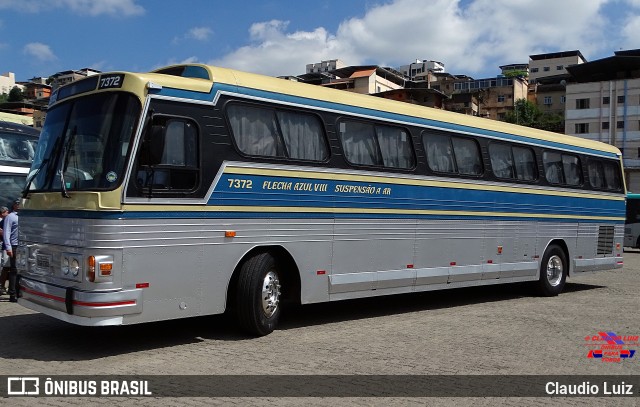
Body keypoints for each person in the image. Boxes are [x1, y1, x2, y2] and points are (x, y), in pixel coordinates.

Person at [3, 199, 19, 302]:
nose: (20, 205)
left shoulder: (25, 216)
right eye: (18, 204)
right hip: (14, 246)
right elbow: (6, 232)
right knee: (14, 270)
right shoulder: (10, 217)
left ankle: (19, 292)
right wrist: (8, 247)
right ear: (14, 205)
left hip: (24, 245)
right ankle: (12, 294)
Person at [0, 206, 9, 295]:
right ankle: (2, 286)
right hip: (6, 246)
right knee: (5, 267)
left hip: (10, 246)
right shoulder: (5, 220)